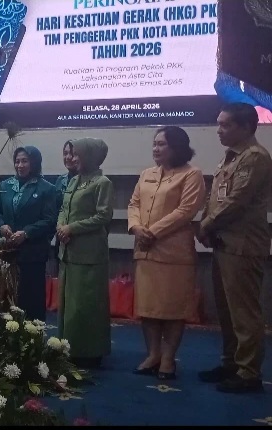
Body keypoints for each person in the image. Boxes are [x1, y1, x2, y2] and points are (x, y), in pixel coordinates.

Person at [197, 103, 272, 393]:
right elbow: (215, 197)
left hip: (243, 244)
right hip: (224, 243)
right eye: (219, 124)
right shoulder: (230, 158)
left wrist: (206, 225)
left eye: (225, 125)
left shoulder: (255, 157)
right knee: (226, 311)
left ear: (246, 127)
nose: (218, 130)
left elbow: (237, 201)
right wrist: (206, 223)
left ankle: (248, 373)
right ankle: (231, 363)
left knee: (244, 313)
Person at [128, 126, 206, 380]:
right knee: (148, 308)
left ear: (177, 147)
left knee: (172, 309)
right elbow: (134, 204)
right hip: (145, 251)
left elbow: (186, 211)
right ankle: (153, 355)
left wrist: (152, 232)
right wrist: (136, 227)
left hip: (174, 254)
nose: (156, 148)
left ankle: (169, 359)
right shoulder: (146, 174)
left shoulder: (192, 174)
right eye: (154, 143)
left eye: (161, 144)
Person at [56, 138, 114, 369]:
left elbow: (103, 216)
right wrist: (61, 227)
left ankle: (90, 351)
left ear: (90, 156)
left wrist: (72, 228)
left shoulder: (102, 183)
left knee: (87, 305)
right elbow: (64, 209)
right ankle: (68, 347)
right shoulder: (74, 181)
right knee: (70, 305)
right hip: (68, 251)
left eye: (78, 154)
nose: (73, 158)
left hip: (89, 254)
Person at [0, 146, 57, 321]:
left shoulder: (47, 189)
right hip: (6, 254)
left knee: (30, 302)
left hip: (32, 255)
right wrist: (1, 226)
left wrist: (26, 233)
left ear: (34, 162)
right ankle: (2, 337)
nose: (20, 165)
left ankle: (31, 336)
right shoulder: (5, 185)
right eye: (17, 161)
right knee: (4, 302)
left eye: (25, 161)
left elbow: (50, 220)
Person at [55, 140, 78, 210]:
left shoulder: (90, 181)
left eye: (72, 153)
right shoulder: (61, 180)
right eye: (65, 153)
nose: (68, 157)